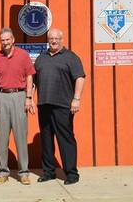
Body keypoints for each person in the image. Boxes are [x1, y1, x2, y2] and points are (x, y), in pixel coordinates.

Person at [32, 28, 85, 185]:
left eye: (56, 38)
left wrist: (76, 99)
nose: (53, 41)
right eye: (51, 38)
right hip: (44, 104)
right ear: (47, 40)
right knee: (46, 139)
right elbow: (34, 82)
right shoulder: (41, 58)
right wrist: (30, 99)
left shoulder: (71, 57)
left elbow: (80, 78)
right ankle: (49, 172)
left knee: (65, 138)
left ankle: (71, 174)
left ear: (62, 39)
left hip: (63, 105)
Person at [0, 27, 35, 185]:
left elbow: (30, 77)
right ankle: (3, 172)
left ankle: (23, 173)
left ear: (13, 39)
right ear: (0, 42)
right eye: (3, 40)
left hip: (19, 96)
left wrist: (29, 98)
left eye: (8, 39)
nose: (5, 43)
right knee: (2, 137)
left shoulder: (23, 55)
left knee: (21, 136)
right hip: (1, 97)